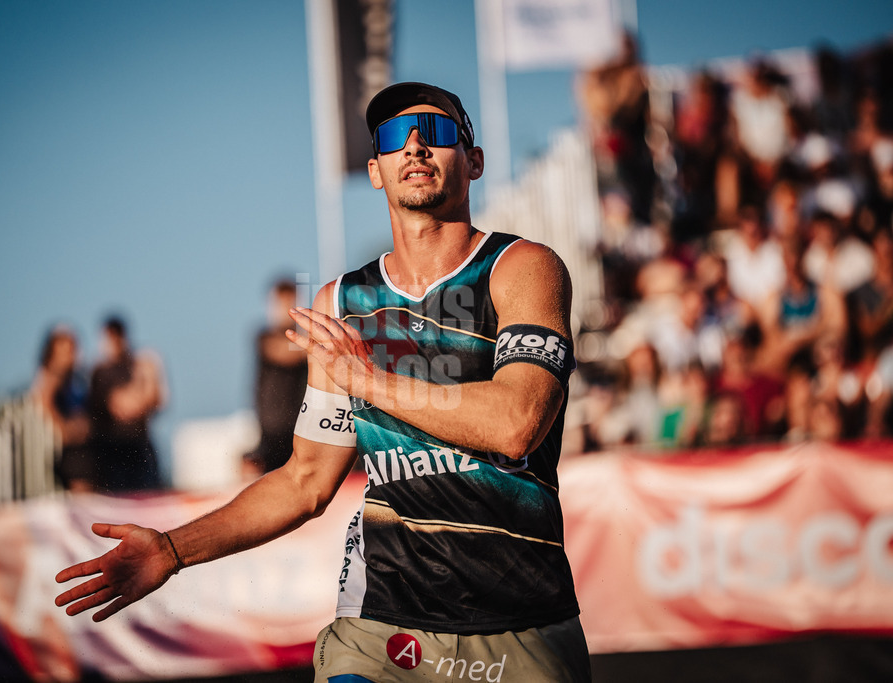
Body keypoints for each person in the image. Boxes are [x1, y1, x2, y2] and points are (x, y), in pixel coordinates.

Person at [55, 83, 590, 682]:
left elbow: (516, 423)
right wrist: (172, 551)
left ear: (475, 160)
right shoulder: (341, 304)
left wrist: (366, 378)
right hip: (384, 619)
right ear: (375, 171)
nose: (414, 145)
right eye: (393, 138)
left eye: (436, 131)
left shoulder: (521, 267)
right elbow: (306, 480)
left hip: (521, 619)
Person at [87, 315, 167, 492]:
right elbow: (100, 410)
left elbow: (158, 400)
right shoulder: (98, 372)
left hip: (139, 446)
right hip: (111, 451)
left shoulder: (142, 363)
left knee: (146, 500)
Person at [243, 278, 309, 475]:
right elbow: (286, 353)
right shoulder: (264, 336)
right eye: (281, 303)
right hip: (272, 432)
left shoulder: (304, 338)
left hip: (300, 427)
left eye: (290, 302)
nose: (285, 308)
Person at [30, 324, 93, 491]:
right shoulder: (51, 376)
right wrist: (66, 429)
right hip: (65, 454)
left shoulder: (76, 377)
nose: (70, 354)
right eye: (65, 350)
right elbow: (44, 403)